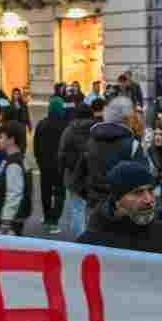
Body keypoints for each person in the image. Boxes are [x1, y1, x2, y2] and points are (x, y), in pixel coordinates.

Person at [77, 161, 162, 255]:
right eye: (137, 192)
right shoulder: (90, 243)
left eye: (150, 190)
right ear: (117, 200)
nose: (148, 199)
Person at [82, 97, 145, 219]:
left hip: (94, 201)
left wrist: (88, 193)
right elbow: (142, 177)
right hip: (123, 205)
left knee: (94, 236)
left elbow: (80, 173)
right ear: (126, 119)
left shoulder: (91, 141)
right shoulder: (132, 144)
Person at [59, 101, 99, 238]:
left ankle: (80, 239)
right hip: (93, 174)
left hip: (73, 175)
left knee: (77, 209)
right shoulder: (96, 129)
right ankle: (93, 236)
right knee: (93, 209)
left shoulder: (69, 130)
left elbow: (62, 153)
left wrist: (62, 171)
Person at [33, 97, 68, 234]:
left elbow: (36, 144)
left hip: (44, 164)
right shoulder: (66, 125)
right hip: (60, 165)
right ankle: (54, 221)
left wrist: (38, 160)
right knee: (60, 193)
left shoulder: (42, 124)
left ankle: (47, 217)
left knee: (45, 192)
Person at [0, 121, 32, 235]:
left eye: (1, 137)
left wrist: (6, 221)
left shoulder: (13, 164)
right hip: (18, 219)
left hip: (10, 223)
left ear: (11, 140)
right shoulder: (21, 159)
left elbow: (14, 194)